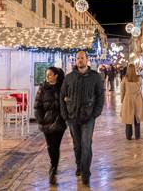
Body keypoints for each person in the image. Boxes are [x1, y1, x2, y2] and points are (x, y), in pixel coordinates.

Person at [60, 51, 104, 187]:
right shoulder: (69, 77)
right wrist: (65, 115)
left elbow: (100, 96)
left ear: (87, 60)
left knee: (86, 144)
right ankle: (79, 166)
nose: (80, 60)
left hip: (88, 117)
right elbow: (62, 96)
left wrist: (95, 113)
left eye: (82, 58)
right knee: (77, 145)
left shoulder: (95, 77)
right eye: (78, 58)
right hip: (72, 117)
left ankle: (85, 172)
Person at [34, 67, 67, 185]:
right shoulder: (43, 88)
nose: (48, 76)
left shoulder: (62, 87)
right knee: (49, 146)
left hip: (59, 122)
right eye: (47, 74)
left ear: (56, 76)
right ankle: (53, 165)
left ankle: (53, 167)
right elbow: (37, 106)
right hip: (46, 122)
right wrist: (40, 120)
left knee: (55, 145)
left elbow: (66, 102)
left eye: (50, 74)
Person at [120, 64, 143, 140]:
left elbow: (122, 90)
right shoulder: (139, 78)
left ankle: (128, 136)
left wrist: (122, 99)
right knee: (137, 117)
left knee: (128, 118)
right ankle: (137, 135)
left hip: (128, 98)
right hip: (137, 98)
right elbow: (141, 88)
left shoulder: (125, 79)